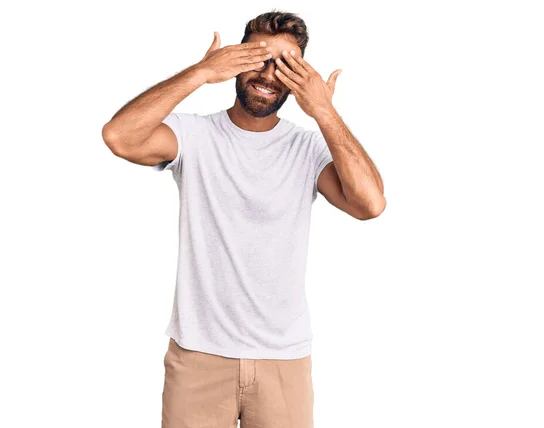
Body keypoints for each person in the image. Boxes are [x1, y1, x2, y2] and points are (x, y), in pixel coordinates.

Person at [102, 10, 385, 428]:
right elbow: (119, 136)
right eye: (258, 58)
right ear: (235, 59)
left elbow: (370, 204)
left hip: (283, 361)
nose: (269, 74)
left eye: (286, 65)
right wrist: (199, 73)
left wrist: (323, 111)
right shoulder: (193, 136)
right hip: (198, 356)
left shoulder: (308, 150)